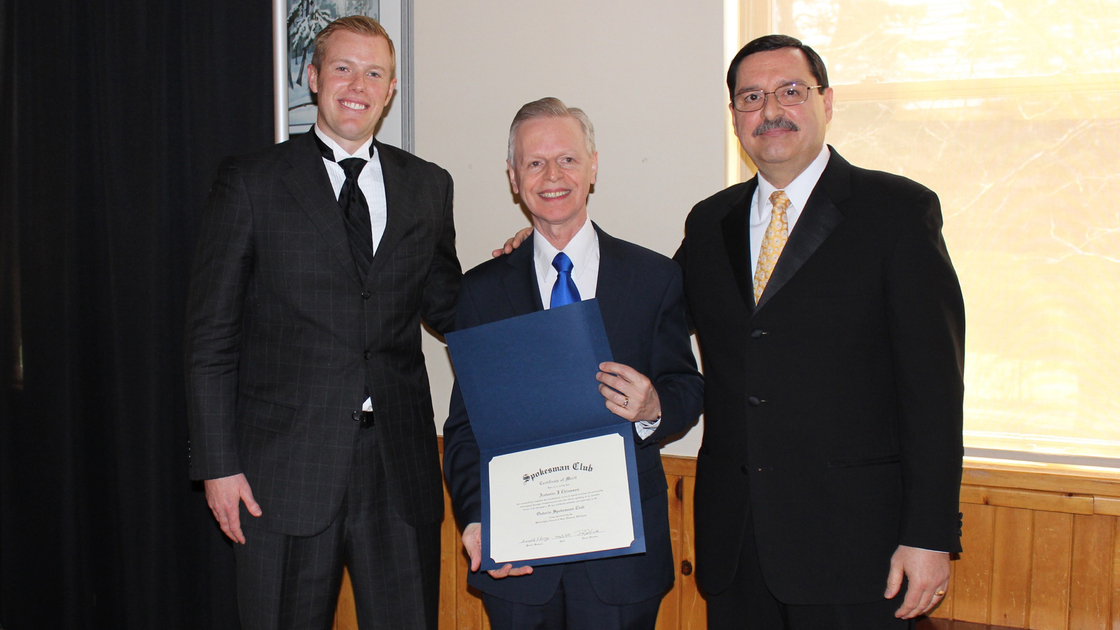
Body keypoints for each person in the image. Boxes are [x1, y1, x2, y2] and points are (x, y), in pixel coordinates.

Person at [673, 35, 965, 629]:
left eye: (790, 91)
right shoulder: (710, 223)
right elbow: (651, 312)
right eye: (751, 97)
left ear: (826, 101)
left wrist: (930, 535)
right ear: (734, 117)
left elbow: (934, 389)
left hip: (859, 550)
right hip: (739, 545)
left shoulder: (897, 212)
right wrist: (550, 251)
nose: (770, 110)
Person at [184, 16, 459, 630]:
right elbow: (210, 337)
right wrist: (217, 465)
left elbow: (450, 306)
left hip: (399, 471)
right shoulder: (252, 182)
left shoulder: (428, 187)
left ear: (389, 91)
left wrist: (523, 268)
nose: (356, 84)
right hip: (280, 474)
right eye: (342, 67)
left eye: (373, 72)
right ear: (312, 77)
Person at [443, 97, 704, 630]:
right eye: (534, 163)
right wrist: (474, 518)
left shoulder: (652, 278)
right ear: (514, 178)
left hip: (622, 563)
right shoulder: (479, 293)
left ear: (593, 166)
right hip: (518, 559)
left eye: (567, 159)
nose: (552, 175)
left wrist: (653, 407)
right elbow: (465, 428)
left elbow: (687, 388)